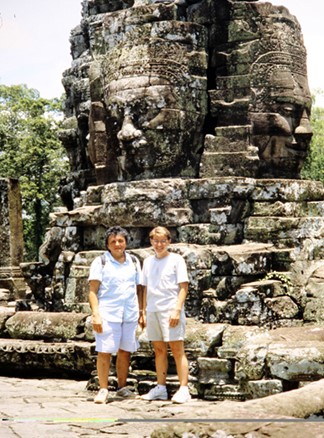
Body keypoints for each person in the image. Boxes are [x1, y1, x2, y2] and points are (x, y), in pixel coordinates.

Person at [88, 226, 143, 404]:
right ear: (107, 245)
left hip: (129, 312)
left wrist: (142, 312)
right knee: (104, 351)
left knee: (125, 351)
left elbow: (139, 289)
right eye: (113, 241)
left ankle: (121, 387)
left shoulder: (134, 261)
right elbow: (92, 291)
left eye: (120, 241)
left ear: (126, 242)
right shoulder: (101, 262)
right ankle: (103, 389)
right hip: (108, 312)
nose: (117, 244)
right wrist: (95, 314)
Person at [140, 226, 191, 404]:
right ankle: (161, 387)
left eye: (163, 241)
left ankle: (184, 388)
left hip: (170, 309)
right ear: (151, 242)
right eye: (156, 241)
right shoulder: (147, 262)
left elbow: (183, 287)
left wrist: (177, 309)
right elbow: (145, 288)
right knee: (159, 350)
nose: (159, 244)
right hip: (153, 309)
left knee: (177, 350)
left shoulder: (177, 260)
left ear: (169, 241)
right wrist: (143, 311)